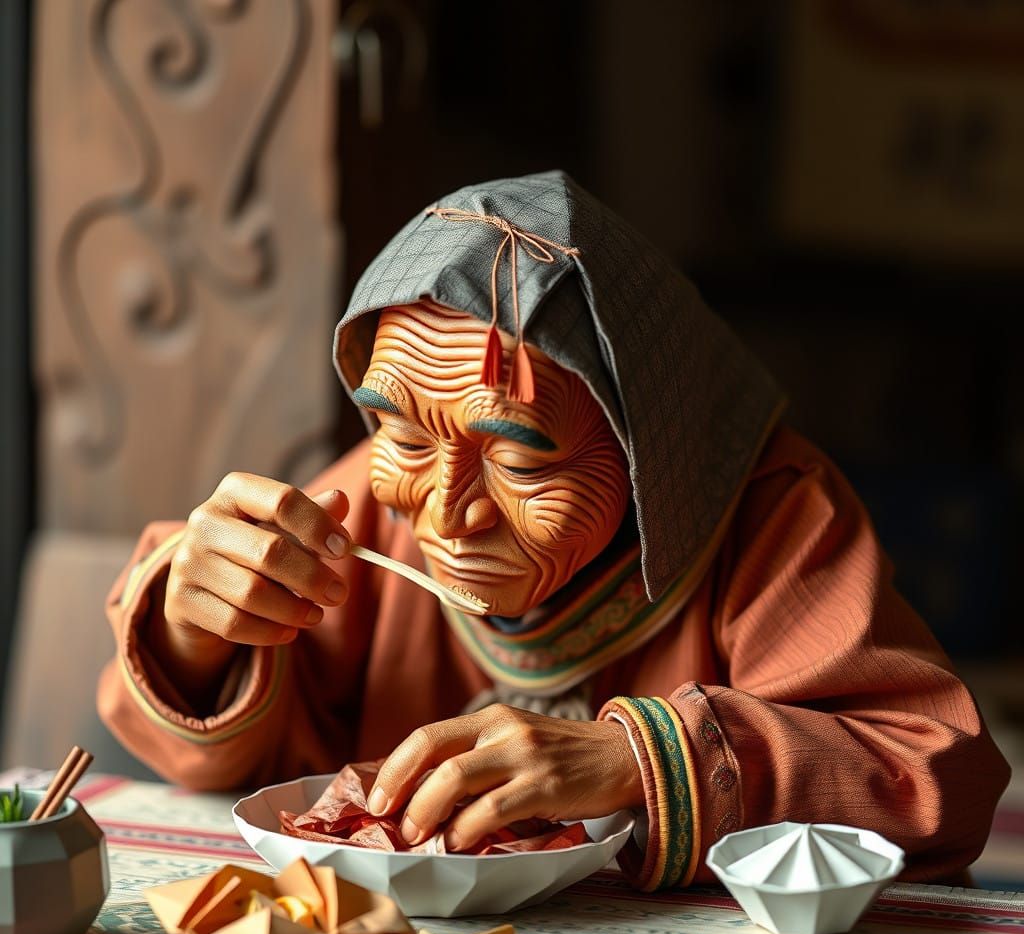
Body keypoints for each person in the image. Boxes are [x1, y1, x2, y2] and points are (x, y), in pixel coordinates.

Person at [98, 171, 1009, 891]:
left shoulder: (771, 520)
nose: (447, 508)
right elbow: (235, 766)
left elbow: (936, 776)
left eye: (522, 458)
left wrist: (636, 758)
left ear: (649, 446)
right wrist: (197, 623)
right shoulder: (369, 509)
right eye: (400, 432)